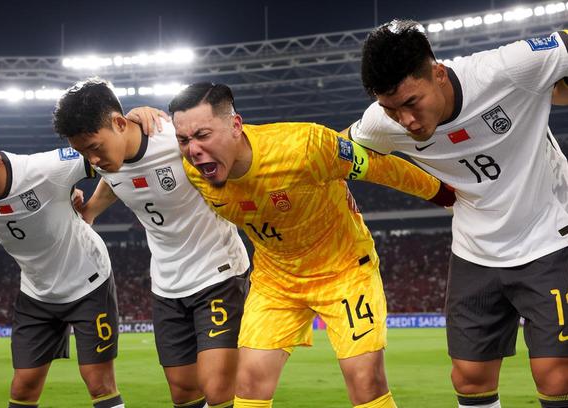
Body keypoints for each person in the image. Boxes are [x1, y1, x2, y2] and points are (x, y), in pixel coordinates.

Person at [167, 82, 456, 408]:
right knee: (249, 382)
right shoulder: (194, 169)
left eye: (203, 135)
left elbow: (378, 165)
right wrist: (140, 117)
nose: (193, 149)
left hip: (343, 269)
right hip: (276, 280)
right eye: (183, 140)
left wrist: (443, 194)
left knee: (366, 381)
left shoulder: (303, 146)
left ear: (236, 125)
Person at [351, 21, 568, 408]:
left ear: (438, 73)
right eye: (391, 109)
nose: (406, 121)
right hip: (474, 251)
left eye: (412, 103)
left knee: (557, 375)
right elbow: (340, 150)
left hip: (549, 236)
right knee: (469, 378)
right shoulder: (379, 122)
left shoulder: (507, 69)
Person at [53, 78, 250, 408]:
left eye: (95, 148)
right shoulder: (108, 159)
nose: (92, 160)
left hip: (219, 273)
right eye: (83, 152)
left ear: (119, 124)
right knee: (183, 391)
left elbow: (228, 140)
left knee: (218, 389)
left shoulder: (172, 139)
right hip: (167, 286)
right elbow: (115, 180)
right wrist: (89, 212)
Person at [0, 124, 124, 408]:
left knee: (99, 382)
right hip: (36, 292)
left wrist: (138, 118)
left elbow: (116, 149)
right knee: (23, 387)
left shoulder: (45, 169)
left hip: (89, 283)